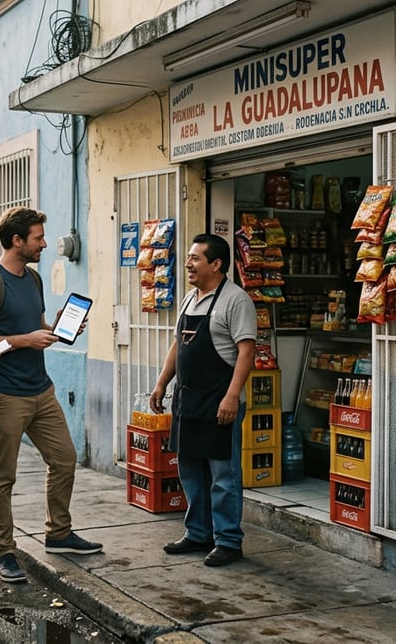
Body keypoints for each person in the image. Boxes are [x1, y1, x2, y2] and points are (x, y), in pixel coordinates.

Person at [0, 207, 102, 585]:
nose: (44, 243)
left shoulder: (34, 278)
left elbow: (33, 327)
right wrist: (25, 340)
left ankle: (58, 534)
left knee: (65, 459)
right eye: (38, 238)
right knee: (3, 476)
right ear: (17, 241)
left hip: (41, 389)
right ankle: (4, 552)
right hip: (4, 394)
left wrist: (55, 328)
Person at [149, 233, 256, 567]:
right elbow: (178, 346)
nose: (188, 264)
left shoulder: (235, 301)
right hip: (187, 399)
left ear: (216, 264)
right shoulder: (189, 299)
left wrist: (232, 397)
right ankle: (198, 533)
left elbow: (247, 351)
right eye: (189, 257)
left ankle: (228, 540)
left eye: (196, 258)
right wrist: (162, 384)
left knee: (223, 475)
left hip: (218, 400)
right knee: (190, 469)